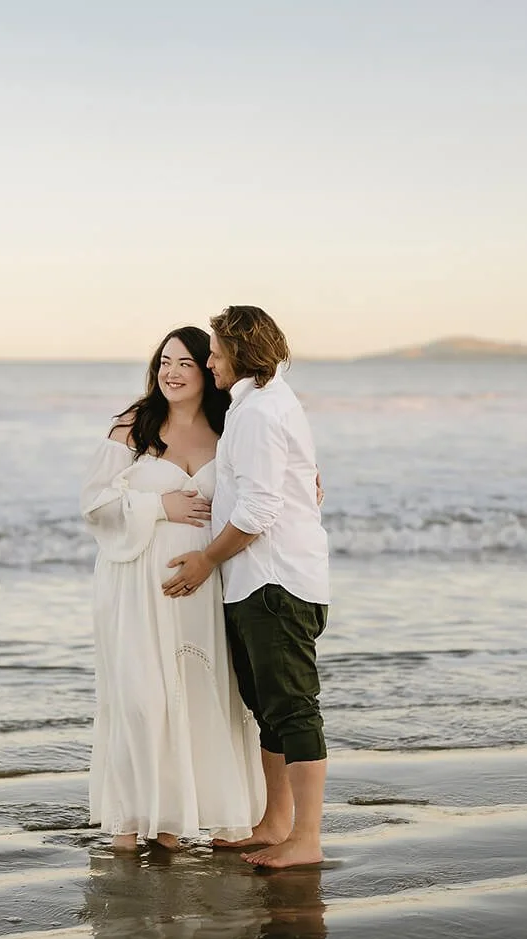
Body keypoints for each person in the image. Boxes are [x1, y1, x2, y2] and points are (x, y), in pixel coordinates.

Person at [80, 326, 266, 852]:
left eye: (186, 362)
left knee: (196, 695)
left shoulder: (229, 429)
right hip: (137, 585)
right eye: (165, 361)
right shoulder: (132, 426)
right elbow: (93, 505)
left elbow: (266, 484)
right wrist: (159, 507)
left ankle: (171, 822)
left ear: (208, 370)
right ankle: (128, 819)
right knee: (141, 698)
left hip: (203, 588)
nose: (172, 372)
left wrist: (308, 479)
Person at [162, 305, 331, 869]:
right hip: (256, 582)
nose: (209, 363)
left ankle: (306, 837)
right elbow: (290, 482)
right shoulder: (260, 405)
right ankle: (276, 823)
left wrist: (206, 559)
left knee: (293, 708)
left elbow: (259, 508)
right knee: (267, 705)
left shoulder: (259, 412)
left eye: (214, 352)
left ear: (240, 350)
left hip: (275, 582)